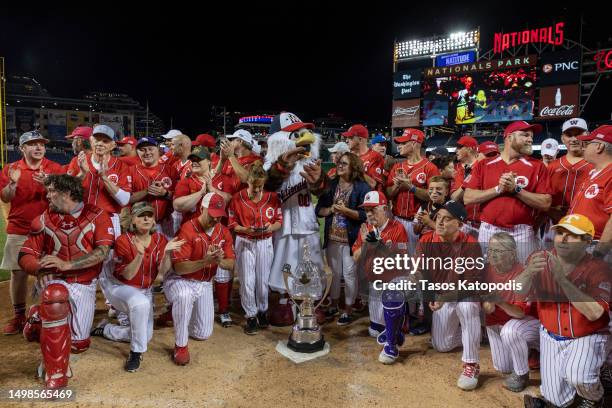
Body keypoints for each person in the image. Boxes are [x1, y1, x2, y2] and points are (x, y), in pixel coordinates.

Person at [19, 174, 114, 388]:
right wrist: (39, 269)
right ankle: (56, 373)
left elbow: (102, 252)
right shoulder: (43, 219)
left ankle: (37, 320)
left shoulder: (97, 215)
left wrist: (67, 265)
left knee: (79, 343)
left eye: (52, 191)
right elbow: (25, 254)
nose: (48, 195)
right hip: (54, 281)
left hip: (83, 282)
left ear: (68, 193)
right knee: (54, 298)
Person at [518, 214, 611, 408]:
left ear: (587, 242)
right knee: (557, 401)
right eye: (560, 233)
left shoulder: (600, 269)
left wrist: (562, 279)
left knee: (580, 378)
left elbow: (594, 313)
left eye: (572, 235)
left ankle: (596, 397)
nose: (563, 239)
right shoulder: (538, 259)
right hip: (551, 336)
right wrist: (527, 274)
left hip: (587, 336)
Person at [93, 202, 184, 372]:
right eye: (142, 215)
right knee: (140, 304)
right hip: (118, 287)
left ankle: (106, 329)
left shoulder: (160, 240)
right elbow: (127, 275)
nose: (147, 218)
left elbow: (162, 273)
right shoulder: (123, 241)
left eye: (149, 215)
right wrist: (140, 255)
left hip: (144, 290)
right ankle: (135, 353)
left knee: (146, 335)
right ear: (133, 221)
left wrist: (168, 253)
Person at [411, 201, 483, 391]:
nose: (440, 222)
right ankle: (475, 334)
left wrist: (444, 298)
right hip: (442, 296)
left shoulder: (470, 244)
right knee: (441, 345)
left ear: (459, 224)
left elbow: (472, 285)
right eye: (438, 218)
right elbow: (419, 272)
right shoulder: (426, 241)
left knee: (467, 308)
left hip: (463, 296)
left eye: (447, 219)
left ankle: (471, 365)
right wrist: (416, 279)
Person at [0, 131, 64, 335]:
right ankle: (19, 316)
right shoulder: (11, 168)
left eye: (41, 144)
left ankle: (50, 312)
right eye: (32, 144)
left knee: (52, 271)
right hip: (20, 228)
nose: (38, 148)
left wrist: (49, 183)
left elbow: (64, 199)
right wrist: (13, 184)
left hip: (49, 229)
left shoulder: (54, 168)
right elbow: (5, 197)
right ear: (22, 148)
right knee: (17, 273)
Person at [464, 121, 552, 262]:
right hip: (489, 230)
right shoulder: (484, 165)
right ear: (509, 137)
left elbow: (545, 203)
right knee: (486, 276)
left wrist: (516, 190)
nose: (530, 139)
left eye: (531, 136)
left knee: (524, 277)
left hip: (521, 232)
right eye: (525, 135)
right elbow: (468, 198)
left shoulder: (537, 166)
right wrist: (499, 189)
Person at [167, 192, 235, 365]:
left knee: (203, 333)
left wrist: (219, 260)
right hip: (179, 280)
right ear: (202, 209)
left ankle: (178, 315)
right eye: (212, 215)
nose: (215, 220)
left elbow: (231, 264)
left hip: (204, 284)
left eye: (219, 217)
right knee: (184, 296)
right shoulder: (187, 229)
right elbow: (180, 268)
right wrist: (206, 261)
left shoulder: (223, 232)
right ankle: (180, 346)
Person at [228, 162, 282, 335]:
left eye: (260, 186)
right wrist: (245, 229)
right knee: (247, 281)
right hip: (245, 241)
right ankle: (251, 316)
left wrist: (270, 227)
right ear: (248, 182)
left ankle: (262, 311)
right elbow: (232, 224)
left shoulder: (272, 198)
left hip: (265, 242)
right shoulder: (237, 198)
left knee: (263, 281)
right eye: (254, 185)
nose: (257, 190)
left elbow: (278, 222)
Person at [213, 129, 261, 328]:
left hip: (245, 220)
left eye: (232, 140)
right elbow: (213, 178)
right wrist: (223, 160)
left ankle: (256, 307)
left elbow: (247, 179)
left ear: (241, 141)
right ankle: (224, 307)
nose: (229, 143)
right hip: (224, 216)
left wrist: (230, 157)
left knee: (250, 268)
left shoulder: (255, 160)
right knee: (223, 262)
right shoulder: (227, 159)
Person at [316, 152, 370, 325]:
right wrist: (331, 209)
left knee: (349, 274)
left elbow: (365, 214)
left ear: (353, 167)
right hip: (332, 237)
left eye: (344, 163)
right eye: (339, 163)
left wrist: (346, 211)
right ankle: (333, 306)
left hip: (351, 239)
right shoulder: (331, 185)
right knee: (335, 273)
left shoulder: (362, 188)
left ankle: (347, 309)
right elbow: (319, 210)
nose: (339, 165)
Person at [482, 232, 539, 393]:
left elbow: (520, 313)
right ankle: (526, 352)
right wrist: (487, 305)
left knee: (511, 332)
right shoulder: (486, 270)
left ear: (512, 254)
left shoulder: (523, 273)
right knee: (503, 367)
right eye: (490, 250)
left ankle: (524, 371)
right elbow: (485, 304)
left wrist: (499, 301)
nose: (492, 254)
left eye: (498, 251)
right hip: (496, 323)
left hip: (525, 322)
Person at [352, 191, 408, 338]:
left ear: (384, 209)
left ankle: (402, 314)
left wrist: (378, 246)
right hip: (375, 283)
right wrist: (365, 243)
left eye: (373, 209)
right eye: (366, 210)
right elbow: (355, 258)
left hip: (393, 281)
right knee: (375, 331)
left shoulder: (398, 228)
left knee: (392, 326)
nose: (369, 214)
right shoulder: (365, 229)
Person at [386, 128, 440, 245]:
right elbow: (388, 194)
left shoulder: (430, 168)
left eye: (404, 143)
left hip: (418, 223)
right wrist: (396, 186)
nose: (399, 146)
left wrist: (411, 187)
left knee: (416, 260)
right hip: (397, 220)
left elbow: (434, 197)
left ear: (415, 143)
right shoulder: (397, 167)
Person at [568, 125, 612, 257]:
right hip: (581, 245)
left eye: (588, 143)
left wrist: (599, 252)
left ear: (599, 147)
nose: (583, 147)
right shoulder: (595, 173)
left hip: (596, 247)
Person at [129, 137, 178, 238]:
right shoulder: (130, 171)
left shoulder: (171, 170)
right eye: (142, 150)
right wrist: (147, 191)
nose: (147, 152)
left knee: (166, 252)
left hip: (165, 223)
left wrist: (165, 193)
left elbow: (179, 198)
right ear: (137, 152)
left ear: (158, 149)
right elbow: (126, 199)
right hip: (140, 224)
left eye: (150, 149)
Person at [547, 118, 592, 225]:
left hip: (588, 225)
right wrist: (550, 210)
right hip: (555, 225)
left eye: (578, 134)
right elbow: (542, 198)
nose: (574, 139)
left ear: (588, 135)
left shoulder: (597, 165)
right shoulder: (552, 167)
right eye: (569, 135)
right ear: (562, 138)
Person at [450, 135, 481, 235]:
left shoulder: (485, 167)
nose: (456, 150)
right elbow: (454, 197)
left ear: (469, 149)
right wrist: (467, 182)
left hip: (484, 225)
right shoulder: (459, 171)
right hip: (464, 223)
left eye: (459, 147)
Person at [342, 124, 385, 190]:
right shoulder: (348, 157)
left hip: (367, 198)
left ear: (360, 139)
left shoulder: (375, 156)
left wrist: (355, 169)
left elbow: (373, 184)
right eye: (347, 138)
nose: (346, 141)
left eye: (350, 138)